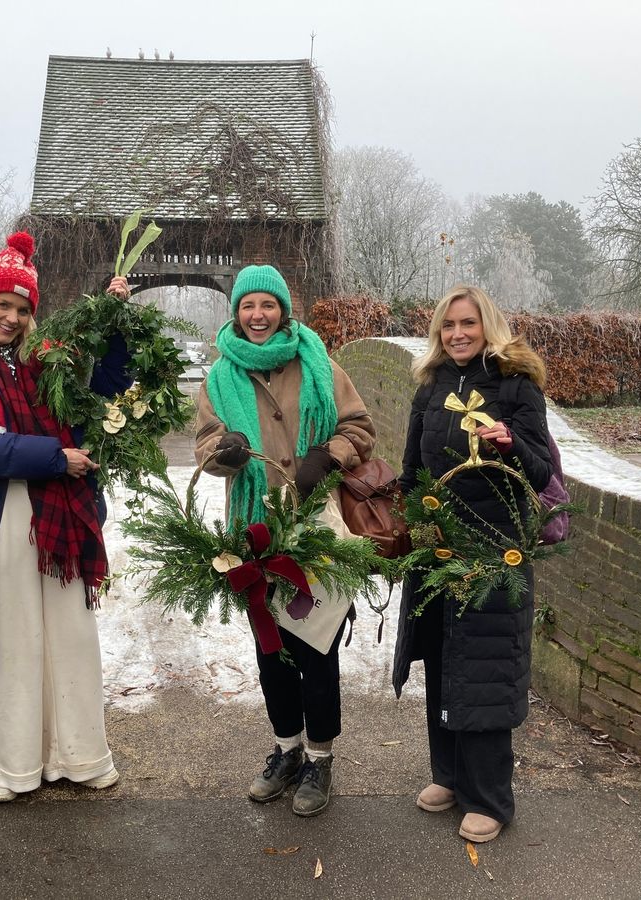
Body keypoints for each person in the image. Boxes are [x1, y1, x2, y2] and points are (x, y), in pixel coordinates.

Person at [0, 232, 133, 802]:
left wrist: (113, 324)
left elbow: (102, 392)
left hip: (61, 517)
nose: (13, 318)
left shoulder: (45, 364)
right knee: (15, 640)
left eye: (23, 309)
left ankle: (79, 755)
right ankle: (16, 764)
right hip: (7, 519)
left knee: (71, 636)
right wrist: (54, 457)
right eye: (4, 305)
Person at [194, 264, 376, 817]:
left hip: (317, 524)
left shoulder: (319, 363)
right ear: (236, 312)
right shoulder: (220, 377)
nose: (258, 316)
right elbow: (203, 444)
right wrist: (221, 453)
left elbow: (360, 427)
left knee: (315, 642)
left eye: (267, 305)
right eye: (248, 306)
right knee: (271, 646)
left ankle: (321, 757)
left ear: (283, 310)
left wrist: (329, 456)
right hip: (255, 529)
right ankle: (287, 749)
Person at [392, 285, 554, 844]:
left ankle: (490, 798)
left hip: (494, 553)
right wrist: (405, 525)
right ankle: (450, 776)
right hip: (439, 551)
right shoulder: (432, 386)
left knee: (484, 670)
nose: (457, 334)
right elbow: (413, 467)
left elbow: (541, 473)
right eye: (447, 326)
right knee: (442, 662)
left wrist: (510, 444)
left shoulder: (516, 385)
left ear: (488, 326)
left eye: (468, 324)